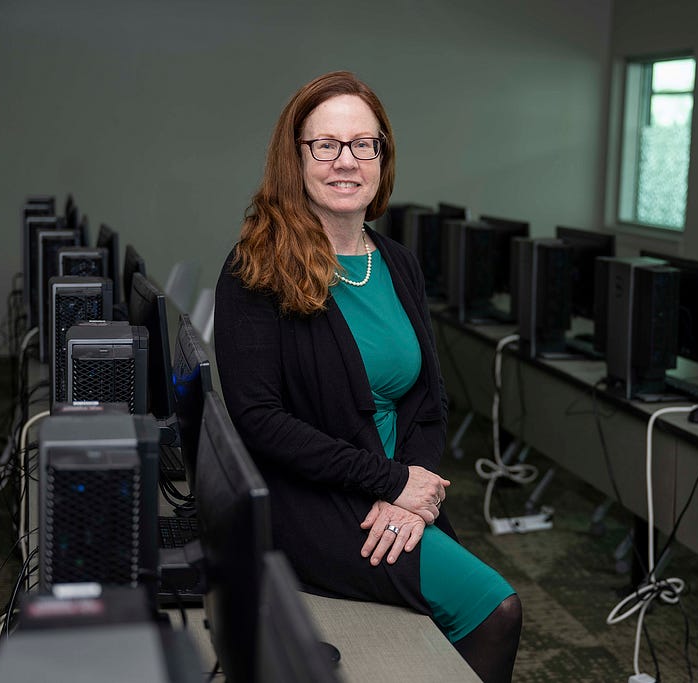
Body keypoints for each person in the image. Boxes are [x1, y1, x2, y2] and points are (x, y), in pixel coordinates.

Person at [214, 71, 522, 682]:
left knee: (453, 626)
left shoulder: (397, 262)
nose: (345, 161)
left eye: (363, 144)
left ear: (383, 156)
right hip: (316, 504)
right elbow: (258, 420)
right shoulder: (257, 268)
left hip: (398, 496)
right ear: (294, 158)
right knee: (497, 611)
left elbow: (428, 403)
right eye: (325, 144)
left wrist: (414, 492)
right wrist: (389, 481)